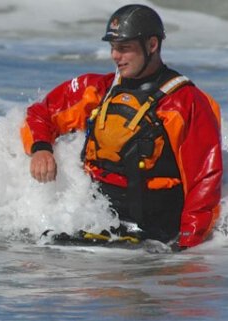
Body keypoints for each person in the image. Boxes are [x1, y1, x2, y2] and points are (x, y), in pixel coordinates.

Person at [21, 4, 222, 250]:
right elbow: (41, 113)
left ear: (152, 45)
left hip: (155, 237)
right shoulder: (99, 88)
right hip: (102, 223)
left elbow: (204, 182)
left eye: (125, 48)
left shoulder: (186, 103)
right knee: (35, 249)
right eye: (113, 48)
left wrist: (187, 248)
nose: (116, 56)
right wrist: (41, 149)